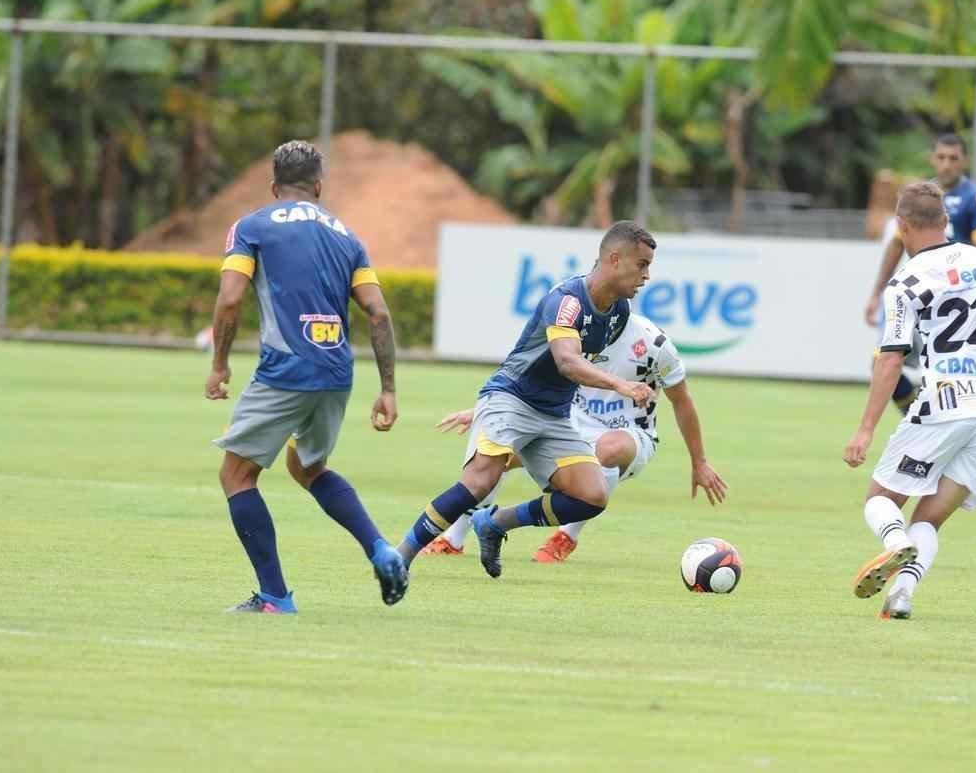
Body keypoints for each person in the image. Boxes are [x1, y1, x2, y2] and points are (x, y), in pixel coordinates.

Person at [205, 140, 407, 613]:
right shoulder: (348, 237)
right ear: (318, 186)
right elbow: (378, 313)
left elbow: (230, 298)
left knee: (236, 475)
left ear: (273, 186)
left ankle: (275, 596)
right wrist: (388, 389)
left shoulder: (251, 227)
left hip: (285, 369)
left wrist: (219, 363)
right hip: (336, 373)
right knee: (308, 468)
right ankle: (381, 549)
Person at [393, 221, 656, 579]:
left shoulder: (618, 312)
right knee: (480, 481)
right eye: (642, 265)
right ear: (614, 259)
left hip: (555, 415)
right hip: (512, 400)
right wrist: (621, 386)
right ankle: (400, 556)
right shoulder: (567, 302)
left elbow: (581, 369)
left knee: (592, 495)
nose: (647, 276)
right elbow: (568, 362)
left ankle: (495, 523)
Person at [843, 181, 976, 620]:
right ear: (947, 220)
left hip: (946, 404)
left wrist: (865, 430)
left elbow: (891, 359)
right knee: (929, 519)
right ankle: (901, 596)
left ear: (901, 225)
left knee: (880, 500)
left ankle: (895, 543)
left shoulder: (906, 282)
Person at [421, 312, 728, 562]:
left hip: (632, 434)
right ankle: (453, 540)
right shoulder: (571, 333)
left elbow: (681, 400)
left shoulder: (653, 344)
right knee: (498, 453)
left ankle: (566, 536)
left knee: (607, 448)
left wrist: (699, 462)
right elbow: (529, 380)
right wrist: (484, 410)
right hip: (569, 426)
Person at [863, 134, 976, 414]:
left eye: (953, 158)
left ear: (965, 161)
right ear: (932, 159)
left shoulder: (975, 199)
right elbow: (897, 243)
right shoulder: (918, 197)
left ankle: (937, 420)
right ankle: (918, 417)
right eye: (941, 157)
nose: (947, 164)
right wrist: (877, 293)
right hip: (918, 296)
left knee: (946, 371)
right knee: (882, 362)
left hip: (953, 302)